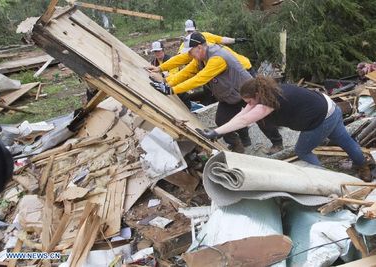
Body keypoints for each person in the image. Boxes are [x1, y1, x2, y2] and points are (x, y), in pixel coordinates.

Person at [196, 76, 372, 182]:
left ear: (256, 96)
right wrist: (216, 131)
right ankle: (363, 169)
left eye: (249, 101)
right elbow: (243, 114)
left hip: (321, 118)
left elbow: (244, 120)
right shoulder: (269, 93)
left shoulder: (268, 104)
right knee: (344, 140)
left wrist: (217, 132)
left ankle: (328, 180)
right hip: (330, 108)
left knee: (302, 150)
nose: (247, 105)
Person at [150, 32, 282, 153]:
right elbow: (186, 72)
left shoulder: (217, 58)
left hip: (247, 91)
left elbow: (199, 79)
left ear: (200, 47)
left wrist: (171, 90)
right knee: (221, 120)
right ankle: (239, 144)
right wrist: (167, 83)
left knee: (261, 118)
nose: (189, 55)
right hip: (229, 95)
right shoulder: (200, 58)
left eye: (190, 52)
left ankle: (277, 143)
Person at [150, 41, 191, 109]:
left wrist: (162, 75)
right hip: (165, 88)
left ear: (163, 50)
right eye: (155, 51)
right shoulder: (153, 62)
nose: (157, 53)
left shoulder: (171, 60)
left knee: (186, 108)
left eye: (158, 51)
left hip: (179, 90)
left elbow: (175, 75)